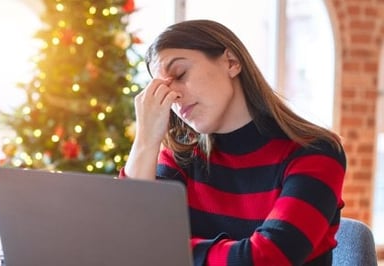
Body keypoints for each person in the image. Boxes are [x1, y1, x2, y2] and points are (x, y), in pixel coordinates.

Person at [120, 19, 346, 266]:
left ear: (231, 62)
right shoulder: (181, 155)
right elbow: (128, 241)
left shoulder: (316, 153)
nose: (174, 96)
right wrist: (145, 139)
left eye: (180, 74)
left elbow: (267, 259)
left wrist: (165, 249)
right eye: (162, 89)